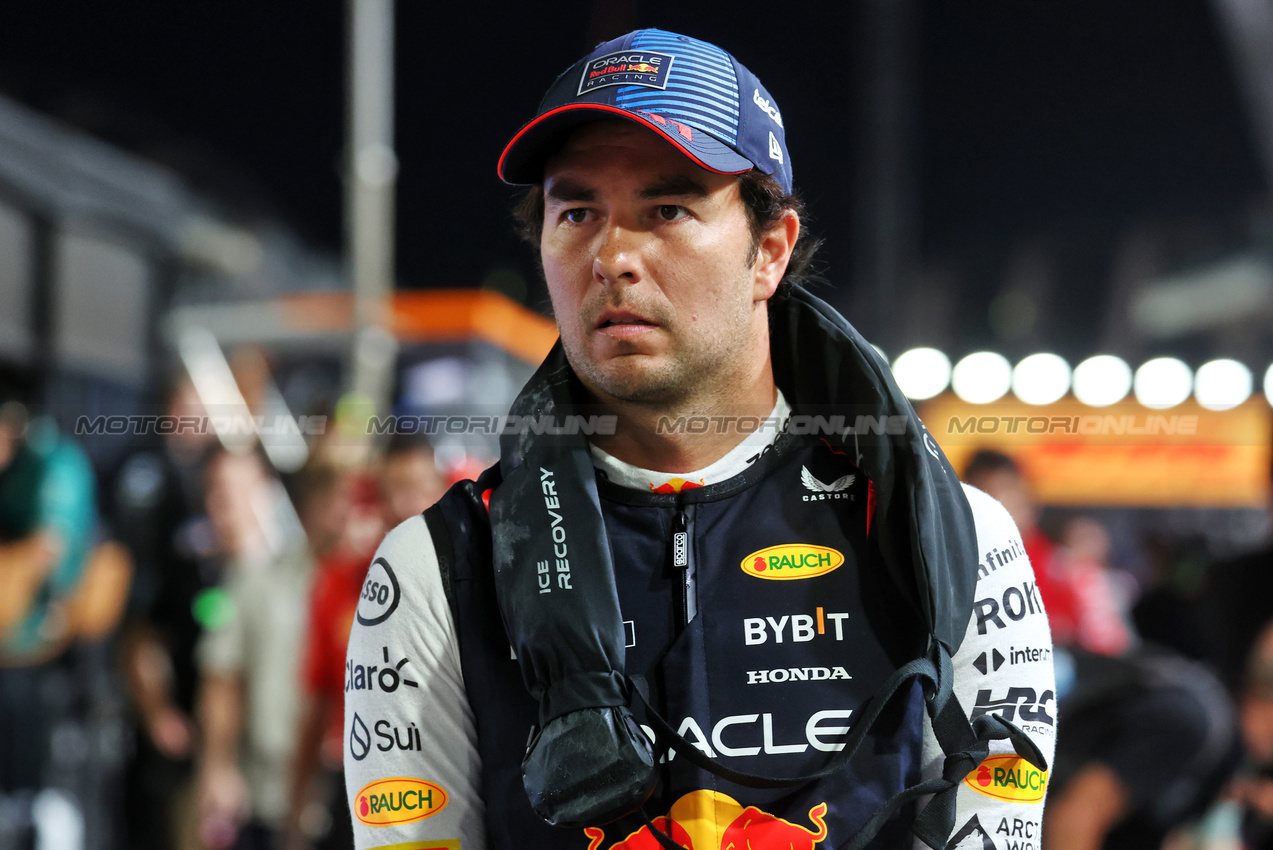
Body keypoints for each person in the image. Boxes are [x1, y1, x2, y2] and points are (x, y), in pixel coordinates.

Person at [344, 29, 1054, 850]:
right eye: (575, 212)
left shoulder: (951, 535)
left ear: (769, 252)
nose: (612, 255)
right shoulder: (438, 565)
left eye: (667, 210)